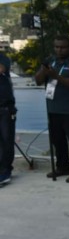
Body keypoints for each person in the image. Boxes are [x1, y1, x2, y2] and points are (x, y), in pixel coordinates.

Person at [34, 34, 69, 183]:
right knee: (57, 141)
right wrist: (43, 70)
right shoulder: (50, 62)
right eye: (57, 47)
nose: (60, 50)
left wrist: (56, 76)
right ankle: (63, 167)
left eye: (63, 47)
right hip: (53, 109)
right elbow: (38, 81)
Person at [0, 51, 16, 185]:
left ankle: (5, 171)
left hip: (5, 109)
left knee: (6, 141)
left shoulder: (3, 58)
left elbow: (2, 68)